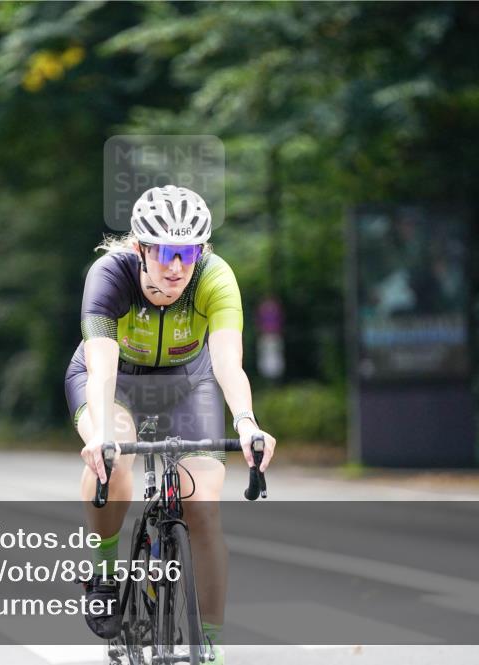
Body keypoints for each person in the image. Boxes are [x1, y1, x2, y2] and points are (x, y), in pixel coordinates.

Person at [64, 185, 277, 662]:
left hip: (187, 383)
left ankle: (210, 648)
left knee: (202, 507)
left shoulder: (214, 278)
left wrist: (246, 421)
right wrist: (100, 435)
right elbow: (102, 367)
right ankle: (103, 570)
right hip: (115, 382)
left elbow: (227, 363)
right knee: (113, 461)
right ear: (140, 248)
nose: (177, 266)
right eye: (164, 252)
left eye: (188, 251)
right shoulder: (109, 276)